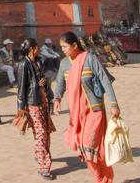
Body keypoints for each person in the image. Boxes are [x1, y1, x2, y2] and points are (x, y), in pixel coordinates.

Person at [53, 31, 120, 183]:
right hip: (76, 113)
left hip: (94, 110)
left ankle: (104, 178)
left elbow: (105, 80)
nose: (62, 49)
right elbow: (59, 84)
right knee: (85, 150)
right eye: (61, 47)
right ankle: (100, 178)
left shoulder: (89, 59)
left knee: (88, 145)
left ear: (74, 45)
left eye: (65, 46)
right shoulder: (64, 64)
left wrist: (114, 104)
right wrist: (57, 98)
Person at [16, 38, 56, 180]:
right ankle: (44, 167)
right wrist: (21, 109)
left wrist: (43, 82)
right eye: (36, 47)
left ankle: (39, 154)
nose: (38, 49)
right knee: (41, 134)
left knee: (46, 132)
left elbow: (43, 78)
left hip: (43, 101)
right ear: (32, 48)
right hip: (32, 103)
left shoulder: (38, 61)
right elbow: (21, 88)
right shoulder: (23, 64)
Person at [39, 38, 62, 108]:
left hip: (47, 71)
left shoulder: (49, 48)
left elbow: (55, 53)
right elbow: (49, 55)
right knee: (46, 88)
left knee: (47, 88)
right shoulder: (43, 49)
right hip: (43, 68)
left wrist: (56, 56)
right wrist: (55, 56)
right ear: (46, 44)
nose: (50, 45)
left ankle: (50, 105)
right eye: (49, 44)